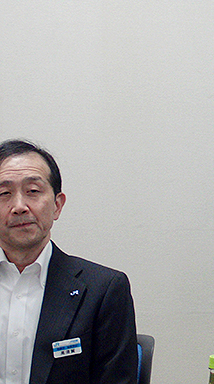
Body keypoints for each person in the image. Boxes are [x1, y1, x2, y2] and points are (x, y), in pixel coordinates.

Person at [0, 139, 138, 384]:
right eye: (4, 194)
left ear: (57, 205)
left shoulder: (104, 290)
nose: (19, 207)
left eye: (33, 191)